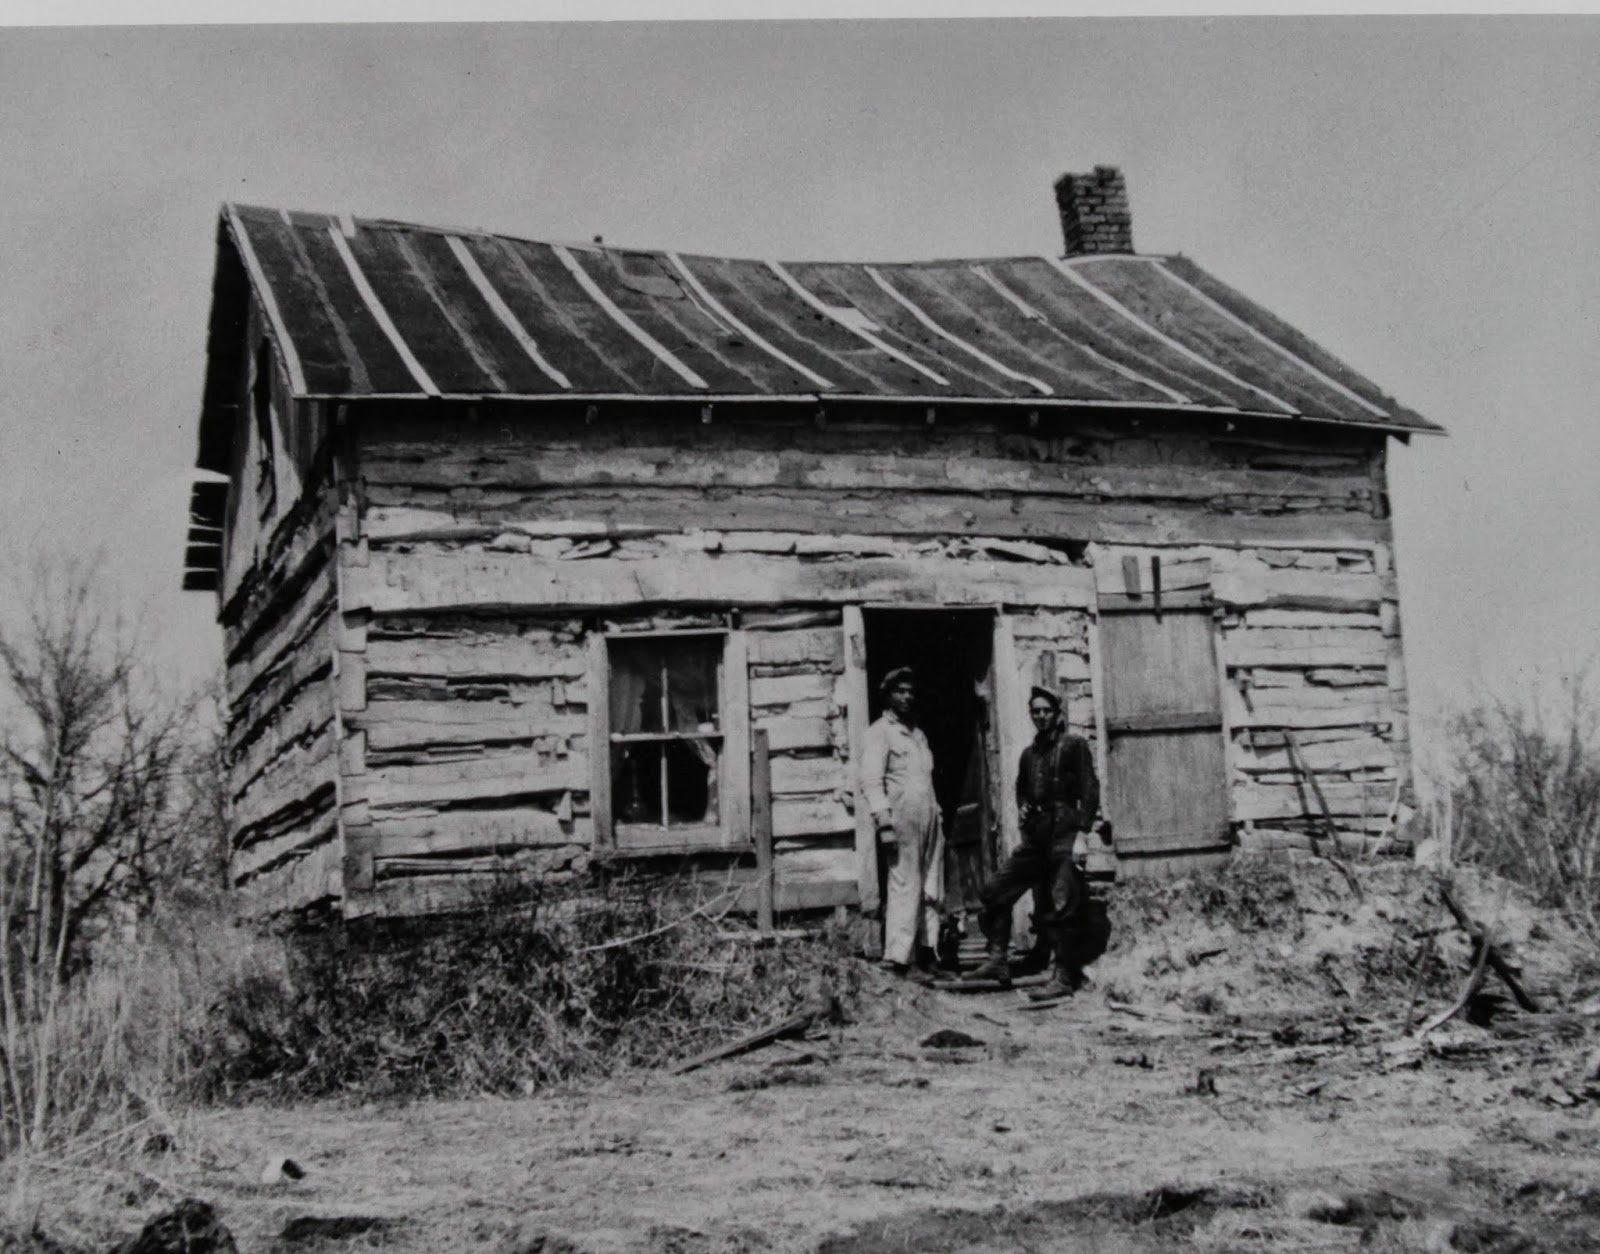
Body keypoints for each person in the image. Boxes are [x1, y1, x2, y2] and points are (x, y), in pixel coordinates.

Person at [965, 686, 1101, 1000]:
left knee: (1062, 901)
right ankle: (997, 959)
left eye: (1046, 711)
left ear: (1057, 713)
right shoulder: (1030, 753)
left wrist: (1082, 835)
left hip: (1065, 834)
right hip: (1037, 838)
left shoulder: (1074, 746)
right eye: (1035, 711)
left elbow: (1090, 792)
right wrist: (1024, 805)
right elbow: (1022, 789)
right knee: (995, 890)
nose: (1041, 716)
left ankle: (1063, 977)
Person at [860, 667, 944, 981]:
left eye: (911, 692)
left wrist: (937, 813)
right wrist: (884, 823)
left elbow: (925, 778)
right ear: (887, 695)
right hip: (901, 819)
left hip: (929, 816)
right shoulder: (879, 732)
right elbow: (870, 781)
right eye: (900, 691)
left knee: (931, 884)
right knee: (904, 883)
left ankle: (928, 952)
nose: (907, 697)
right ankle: (899, 958)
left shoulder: (918, 735)